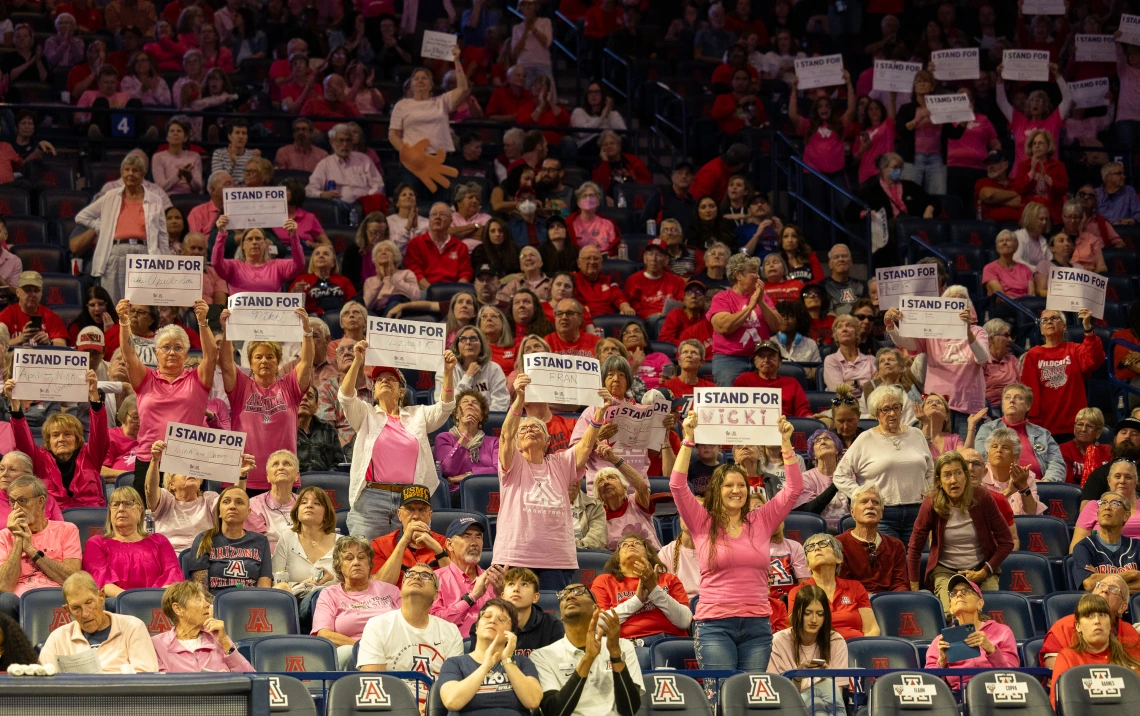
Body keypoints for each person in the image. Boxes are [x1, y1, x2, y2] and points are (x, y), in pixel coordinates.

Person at [670, 411, 801, 671]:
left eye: (741, 485)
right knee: (722, 699)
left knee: (749, 703)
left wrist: (786, 442)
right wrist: (688, 440)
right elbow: (677, 486)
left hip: (757, 626)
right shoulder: (702, 522)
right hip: (714, 625)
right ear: (716, 490)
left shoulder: (761, 521)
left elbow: (793, 489)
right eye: (729, 486)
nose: (737, 491)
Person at [495, 372, 609, 591]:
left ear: (548, 440)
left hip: (557, 560)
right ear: (518, 443)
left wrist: (600, 412)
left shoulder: (560, 463)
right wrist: (519, 398)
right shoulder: (513, 464)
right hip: (516, 556)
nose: (529, 430)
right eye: (524, 429)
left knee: (554, 619)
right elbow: (506, 436)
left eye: (535, 427)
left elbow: (585, 446)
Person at [340, 341, 455, 541]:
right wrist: (358, 361)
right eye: (379, 380)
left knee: (410, 560)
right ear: (373, 391)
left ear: (401, 390)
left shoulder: (418, 414)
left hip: (410, 499)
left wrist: (448, 372)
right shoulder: (365, 414)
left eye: (391, 379)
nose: (384, 381)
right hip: (371, 499)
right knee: (365, 558)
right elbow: (346, 397)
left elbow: (445, 407)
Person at [217, 308, 312, 492]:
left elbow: (306, 363)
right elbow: (227, 364)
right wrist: (227, 330)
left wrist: (306, 330)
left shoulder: (289, 387)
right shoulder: (241, 386)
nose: (264, 361)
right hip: (242, 477)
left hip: (282, 478)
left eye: (270, 357)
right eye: (258, 357)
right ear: (250, 363)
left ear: (278, 362)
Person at [909, 451, 1014, 612]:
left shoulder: (982, 497)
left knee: (987, 614)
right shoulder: (931, 505)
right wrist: (914, 588)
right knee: (952, 613)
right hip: (946, 570)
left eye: (958, 473)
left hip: (981, 568)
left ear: (965, 475)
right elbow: (915, 548)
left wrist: (984, 571)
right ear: (939, 480)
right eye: (947, 475)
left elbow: (1007, 542)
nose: (953, 480)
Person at [833, 386, 934, 544]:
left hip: (918, 512)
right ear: (875, 414)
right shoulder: (865, 439)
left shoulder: (917, 434)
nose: (892, 413)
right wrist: (863, 494)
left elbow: (930, 471)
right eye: (885, 409)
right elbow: (840, 476)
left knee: (918, 562)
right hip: (882, 515)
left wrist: (929, 491)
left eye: (896, 407)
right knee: (889, 562)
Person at [885, 287, 989, 433]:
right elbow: (907, 343)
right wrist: (891, 326)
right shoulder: (933, 331)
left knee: (966, 454)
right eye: (951, 301)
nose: (956, 304)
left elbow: (982, 358)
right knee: (937, 453)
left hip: (968, 409)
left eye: (961, 301)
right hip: (936, 407)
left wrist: (968, 332)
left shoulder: (978, 331)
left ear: (968, 307)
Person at [70, 153, 170, 303]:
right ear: (122, 173)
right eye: (127, 170)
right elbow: (82, 217)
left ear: (143, 174)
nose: (130, 173)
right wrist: (101, 226)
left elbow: (162, 235)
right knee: (114, 302)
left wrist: (165, 262)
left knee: (140, 303)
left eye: (135, 170)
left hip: (144, 253)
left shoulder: (155, 199)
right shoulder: (110, 196)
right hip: (115, 252)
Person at [531, 589, 643, 716]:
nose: (570, 596)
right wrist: (588, 658)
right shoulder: (542, 656)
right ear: (561, 615)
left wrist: (615, 654)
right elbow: (554, 712)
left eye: (579, 592)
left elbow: (629, 709)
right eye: (563, 595)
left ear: (596, 609)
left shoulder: (622, 646)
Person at [357, 562, 464, 695]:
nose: (416, 578)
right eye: (410, 574)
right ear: (401, 589)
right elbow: (374, 685)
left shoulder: (451, 632)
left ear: (436, 594)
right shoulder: (377, 625)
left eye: (425, 576)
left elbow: (452, 687)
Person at [6, 370, 108, 509]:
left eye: (67, 434)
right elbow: (23, 441)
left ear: (78, 438)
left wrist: (95, 398)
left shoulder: (91, 456)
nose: (61, 439)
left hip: (91, 523)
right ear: (48, 440)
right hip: (53, 523)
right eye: (55, 435)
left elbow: (100, 434)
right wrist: (15, 407)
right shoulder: (40, 461)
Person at [438, 597, 544, 714]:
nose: (492, 621)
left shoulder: (522, 662)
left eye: (502, 619)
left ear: (511, 633)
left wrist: (507, 660)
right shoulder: (454, 663)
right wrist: (486, 666)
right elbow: (452, 702)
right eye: (487, 616)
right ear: (477, 627)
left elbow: (533, 701)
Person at [39, 571, 159, 673]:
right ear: (68, 610)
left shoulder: (133, 627)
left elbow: (146, 679)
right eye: (76, 608)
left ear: (101, 597)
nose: (85, 614)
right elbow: (44, 683)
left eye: (89, 602)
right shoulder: (58, 638)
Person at [145, 440, 251, 553]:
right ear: (171, 484)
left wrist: (241, 476)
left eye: (195, 470)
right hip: (169, 557)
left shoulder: (209, 499)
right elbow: (150, 488)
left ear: (200, 481)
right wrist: (155, 460)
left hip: (204, 557)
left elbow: (234, 500)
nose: (191, 472)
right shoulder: (165, 500)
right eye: (184, 470)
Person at [0, 476, 82, 620]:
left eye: (22, 501)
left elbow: (71, 577)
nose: (16, 507)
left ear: (40, 501)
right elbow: (4, 586)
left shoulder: (67, 530)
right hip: (19, 602)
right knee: (5, 601)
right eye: (12, 501)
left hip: (60, 597)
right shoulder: (4, 536)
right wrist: (19, 539)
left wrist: (31, 550)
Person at [388, 50, 468, 196]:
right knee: (414, 202)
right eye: (416, 78)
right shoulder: (402, 105)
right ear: (411, 85)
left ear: (431, 85)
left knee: (443, 204)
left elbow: (463, 88)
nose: (420, 80)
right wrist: (409, 154)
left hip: (441, 159)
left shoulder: (441, 101)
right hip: (414, 162)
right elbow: (393, 134)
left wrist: (456, 60)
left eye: (424, 78)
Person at [311, 536, 400, 668]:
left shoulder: (390, 590)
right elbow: (324, 634)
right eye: (349, 558)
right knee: (348, 653)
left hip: (390, 650)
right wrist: (363, 647)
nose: (356, 562)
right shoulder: (329, 594)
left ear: (369, 563)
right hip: (351, 650)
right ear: (339, 566)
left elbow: (407, 625)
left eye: (361, 557)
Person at [82, 486, 182, 597]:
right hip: (115, 607)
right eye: (115, 504)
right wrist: (133, 601)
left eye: (128, 504)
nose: (120, 509)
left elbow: (173, 578)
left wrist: (153, 600)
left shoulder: (159, 541)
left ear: (140, 511)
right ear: (110, 512)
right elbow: (102, 582)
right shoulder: (96, 544)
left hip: (157, 605)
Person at [767, 585, 850, 716]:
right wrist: (798, 676)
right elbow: (778, 692)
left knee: (822, 699)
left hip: (826, 704)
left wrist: (825, 676)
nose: (814, 620)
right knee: (820, 697)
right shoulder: (778, 641)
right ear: (797, 613)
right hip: (790, 704)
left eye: (820, 614)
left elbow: (837, 692)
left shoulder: (836, 641)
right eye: (807, 613)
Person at [591, 534, 691, 643]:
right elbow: (599, 624)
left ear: (648, 555)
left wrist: (654, 590)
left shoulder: (669, 579)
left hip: (672, 640)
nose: (630, 545)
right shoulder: (604, 581)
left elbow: (685, 621)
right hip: (632, 644)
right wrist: (636, 601)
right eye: (624, 544)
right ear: (617, 560)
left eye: (637, 543)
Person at [1021, 308, 1105, 437]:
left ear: (1064, 326)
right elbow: (1030, 392)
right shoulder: (1033, 354)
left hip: (1076, 427)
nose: (1049, 322)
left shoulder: (1074, 349)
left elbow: (1095, 359)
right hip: (1045, 429)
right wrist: (1035, 426)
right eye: (1045, 320)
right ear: (1041, 329)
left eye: (1054, 318)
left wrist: (1088, 328)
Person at [925, 574, 1018, 686]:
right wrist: (942, 661)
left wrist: (991, 650)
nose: (959, 594)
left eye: (966, 591)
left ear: (980, 604)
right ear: (950, 609)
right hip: (959, 697)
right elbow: (929, 684)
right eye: (953, 593)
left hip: (996, 693)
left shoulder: (1003, 632)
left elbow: (1013, 675)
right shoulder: (941, 641)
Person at [1050, 593, 1140, 706]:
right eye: (1089, 616)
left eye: (1102, 615)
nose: (1097, 621)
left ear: (1110, 625)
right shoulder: (1068, 657)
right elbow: (1057, 703)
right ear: (1078, 626)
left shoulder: (1129, 654)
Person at [786, 533, 878, 640]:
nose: (816, 548)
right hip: (820, 650)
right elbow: (798, 632)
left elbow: (872, 629)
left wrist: (863, 649)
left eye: (823, 544)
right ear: (808, 566)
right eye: (810, 547)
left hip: (856, 649)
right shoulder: (798, 592)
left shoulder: (855, 587)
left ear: (838, 558)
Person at [708, 253, 780, 386]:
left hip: (761, 358)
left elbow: (777, 326)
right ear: (738, 275)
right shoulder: (722, 297)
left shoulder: (762, 297)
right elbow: (724, 327)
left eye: (758, 272)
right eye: (753, 272)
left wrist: (761, 302)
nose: (758, 276)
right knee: (730, 401)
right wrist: (751, 306)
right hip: (730, 359)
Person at [187, 485, 273, 595]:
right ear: (219, 512)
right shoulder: (203, 539)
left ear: (248, 512)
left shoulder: (261, 541)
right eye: (226, 502)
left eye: (239, 502)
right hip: (215, 605)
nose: (232, 506)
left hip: (250, 603)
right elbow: (201, 591)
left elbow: (264, 588)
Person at [152, 580, 253, 672]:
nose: (207, 604)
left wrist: (226, 643)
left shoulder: (219, 638)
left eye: (205, 600)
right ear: (178, 609)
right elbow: (161, 688)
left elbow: (250, 677)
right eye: (198, 600)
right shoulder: (157, 645)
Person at [973, 383, 1065, 484]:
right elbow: (983, 459)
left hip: (1039, 486)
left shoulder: (1043, 434)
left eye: (1018, 398)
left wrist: (1046, 482)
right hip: (998, 484)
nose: (1012, 401)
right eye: (1007, 398)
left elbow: (1057, 463)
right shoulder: (987, 429)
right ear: (1002, 405)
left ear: (1028, 406)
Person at [1040, 575, 1137, 667]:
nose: (1105, 590)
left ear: (1122, 607)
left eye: (1114, 589)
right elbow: (1056, 676)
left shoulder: (1131, 633)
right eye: (1100, 585)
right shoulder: (1063, 627)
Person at [431, 517, 504, 636]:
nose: (474, 543)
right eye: (467, 536)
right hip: (453, 649)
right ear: (449, 544)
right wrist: (471, 598)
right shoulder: (436, 579)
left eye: (478, 537)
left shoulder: (495, 580)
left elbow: (510, 623)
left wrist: (502, 596)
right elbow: (434, 623)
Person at [370, 484, 449, 587]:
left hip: (435, 601)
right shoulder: (380, 544)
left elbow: (454, 586)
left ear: (430, 515)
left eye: (422, 510)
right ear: (399, 514)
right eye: (410, 509)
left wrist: (438, 551)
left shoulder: (444, 543)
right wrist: (404, 541)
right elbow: (381, 588)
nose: (416, 516)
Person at [835, 484, 908, 594]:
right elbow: (843, 584)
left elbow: (900, 583)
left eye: (876, 502)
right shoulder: (838, 543)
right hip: (854, 602)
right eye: (864, 501)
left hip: (889, 602)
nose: (870, 506)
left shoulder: (896, 545)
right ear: (852, 511)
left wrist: (895, 601)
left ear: (881, 513)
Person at [434, 390, 499, 504]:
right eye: (465, 402)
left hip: (487, 493)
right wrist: (466, 435)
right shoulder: (444, 438)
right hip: (457, 495)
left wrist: (465, 476)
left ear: (481, 416)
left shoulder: (494, 442)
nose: (470, 404)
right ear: (457, 415)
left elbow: (498, 470)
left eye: (475, 403)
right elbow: (448, 470)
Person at [210, 217, 305, 294]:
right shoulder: (234, 266)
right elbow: (216, 262)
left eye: (258, 238)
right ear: (243, 245)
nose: (254, 242)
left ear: (265, 243)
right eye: (250, 239)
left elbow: (299, 264)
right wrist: (221, 234)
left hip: (271, 316)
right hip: (241, 316)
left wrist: (293, 236)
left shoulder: (277, 266)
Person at [1070, 488, 1140, 592]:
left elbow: (1095, 584)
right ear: (1097, 513)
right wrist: (1129, 575)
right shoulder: (1084, 547)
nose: (1107, 507)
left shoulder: (1137, 546)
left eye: (1115, 503)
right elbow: (1089, 584)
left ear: (1126, 516)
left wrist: (1102, 580)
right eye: (1103, 503)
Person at [305, 124, 386, 208]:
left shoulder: (363, 159)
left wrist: (367, 198)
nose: (345, 144)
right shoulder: (325, 164)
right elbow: (310, 189)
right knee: (336, 204)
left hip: (364, 203)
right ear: (332, 142)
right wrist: (322, 194)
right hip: (340, 203)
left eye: (348, 140)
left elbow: (378, 185)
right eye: (341, 140)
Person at [434, 327, 509, 411]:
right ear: (457, 346)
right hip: (455, 421)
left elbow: (501, 403)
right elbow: (443, 405)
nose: (468, 342)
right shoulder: (446, 369)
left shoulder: (494, 369)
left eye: (473, 339)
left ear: (481, 344)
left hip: (489, 421)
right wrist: (467, 377)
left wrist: (481, 417)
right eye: (463, 339)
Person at [732, 340, 812, 417]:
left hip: (785, 427)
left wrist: (809, 417)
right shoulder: (744, 380)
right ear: (755, 362)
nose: (766, 360)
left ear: (779, 362)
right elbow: (735, 408)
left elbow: (802, 410)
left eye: (771, 356)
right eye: (761, 356)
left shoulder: (792, 383)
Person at [404, 203, 474, 289]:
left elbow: (465, 273)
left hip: (453, 292)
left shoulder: (461, 247)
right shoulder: (415, 243)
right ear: (429, 219)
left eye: (442, 215)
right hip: (425, 291)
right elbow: (414, 272)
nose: (437, 217)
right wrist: (432, 291)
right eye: (434, 214)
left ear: (450, 222)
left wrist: (457, 292)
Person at [981, 427, 1047, 515]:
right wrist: (1008, 491)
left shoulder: (1025, 476)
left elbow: (1032, 515)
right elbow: (982, 513)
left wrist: (1024, 486)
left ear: (1015, 456)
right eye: (994, 446)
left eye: (1005, 447)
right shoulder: (980, 476)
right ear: (987, 454)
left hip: (1021, 527)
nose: (999, 450)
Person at [501, 567, 564, 656]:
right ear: (502, 596)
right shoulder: (492, 623)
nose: (516, 589)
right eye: (511, 584)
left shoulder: (552, 625)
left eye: (524, 584)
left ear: (535, 597)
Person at [246, 451, 300, 554]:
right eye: (275, 464)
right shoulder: (254, 505)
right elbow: (256, 545)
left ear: (297, 475)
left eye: (286, 464)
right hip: (268, 561)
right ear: (267, 476)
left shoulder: (305, 504)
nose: (281, 468)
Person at [1012, 129, 1069, 224]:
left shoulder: (1058, 166)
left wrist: (1046, 177)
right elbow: (1018, 189)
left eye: (1040, 143)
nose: (1037, 146)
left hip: (1052, 216)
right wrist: (1031, 172)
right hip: (1029, 216)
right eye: (1034, 143)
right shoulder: (1023, 166)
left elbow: (1063, 189)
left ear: (1048, 146)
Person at [624, 239, 685, 321]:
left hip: (671, 319)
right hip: (646, 321)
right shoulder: (633, 280)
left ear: (666, 260)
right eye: (650, 254)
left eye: (659, 255)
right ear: (645, 258)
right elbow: (632, 308)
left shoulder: (677, 281)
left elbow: (682, 304)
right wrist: (653, 315)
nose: (654, 258)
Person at [573, 245, 634, 316]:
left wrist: (625, 307)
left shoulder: (608, 279)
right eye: (588, 258)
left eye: (596, 258)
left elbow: (618, 297)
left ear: (601, 263)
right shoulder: (572, 279)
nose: (592, 262)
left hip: (608, 319)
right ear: (578, 263)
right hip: (585, 320)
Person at [822, 315, 875, 394]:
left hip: (870, 403)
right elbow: (837, 389)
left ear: (856, 333)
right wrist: (868, 383)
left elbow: (878, 386)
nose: (844, 329)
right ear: (836, 336)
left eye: (848, 325)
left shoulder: (871, 359)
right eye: (840, 327)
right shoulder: (831, 360)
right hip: (844, 404)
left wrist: (856, 383)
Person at [297, 385, 343, 472]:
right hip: (295, 482)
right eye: (300, 394)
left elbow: (338, 463)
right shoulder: (284, 430)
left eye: (310, 396)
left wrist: (326, 479)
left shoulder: (328, 430)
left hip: (324, 481)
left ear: (316, 406)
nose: (304, 398)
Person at [1061, 408, 1113, 487]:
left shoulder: (1108, 451)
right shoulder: (1064, 450)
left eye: (1089, 426)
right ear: (1074, 427)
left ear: (1098, 432)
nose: (1083, 429)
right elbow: (1068, 484)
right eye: (1080, 424)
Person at [152, 119, 203, 195]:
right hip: (168, 198)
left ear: (185, 138)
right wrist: (178, 176)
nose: (175, 133)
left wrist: (189, 178)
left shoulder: (195, 156)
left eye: (179, 131)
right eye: (172, 131)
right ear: (167, 137)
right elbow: (160, 187)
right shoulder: (158, 157)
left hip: (190, 197)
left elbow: (198, 188)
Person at [984, 230, 1036, 299]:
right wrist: (1021, 305)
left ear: (1016, 247)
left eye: (1008, 240)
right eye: (1001, 241)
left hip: (1025, 307)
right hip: (1003, 305)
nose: (1004, 243)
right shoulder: (989, 268)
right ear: (997, 248)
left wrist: (1026, 306)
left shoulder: (1025, 269)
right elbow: (1000, 296)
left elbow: (1032, 294)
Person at [983, 319, 1020, 407]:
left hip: (1012, 406)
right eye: (1006, 335)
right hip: (989, 409)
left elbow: (1021, 387)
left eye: (1010, 336)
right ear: (991, 338)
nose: (1010, 340)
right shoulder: (981, 361)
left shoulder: (1012, 360)